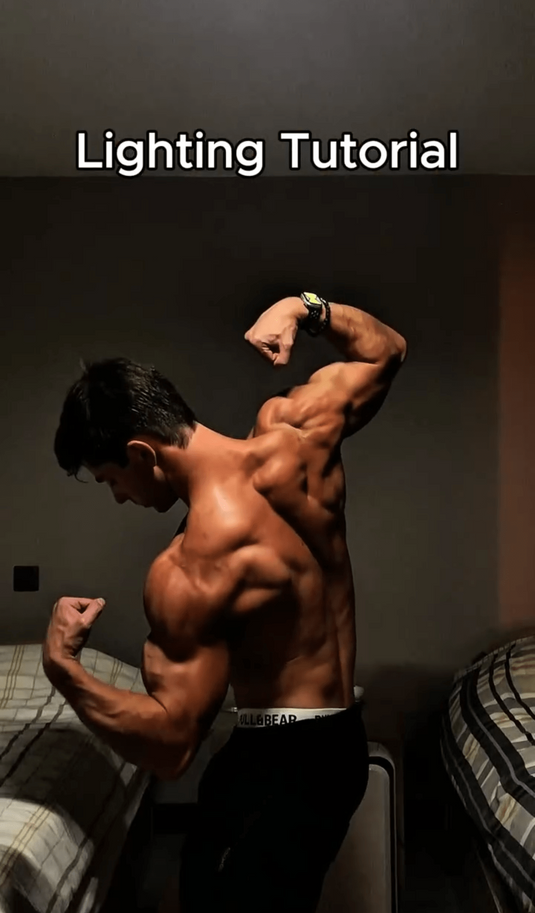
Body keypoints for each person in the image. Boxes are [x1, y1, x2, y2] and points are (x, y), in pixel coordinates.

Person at [44, 293, 407, 913]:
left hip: (281, 765)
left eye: (110, 481)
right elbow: (386, 351)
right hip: (337, 743)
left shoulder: (192, 565)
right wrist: (304, 308)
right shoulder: (295, 433)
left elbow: (171, 745)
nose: (119, 497)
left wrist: (65, 670)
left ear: (141, 453)